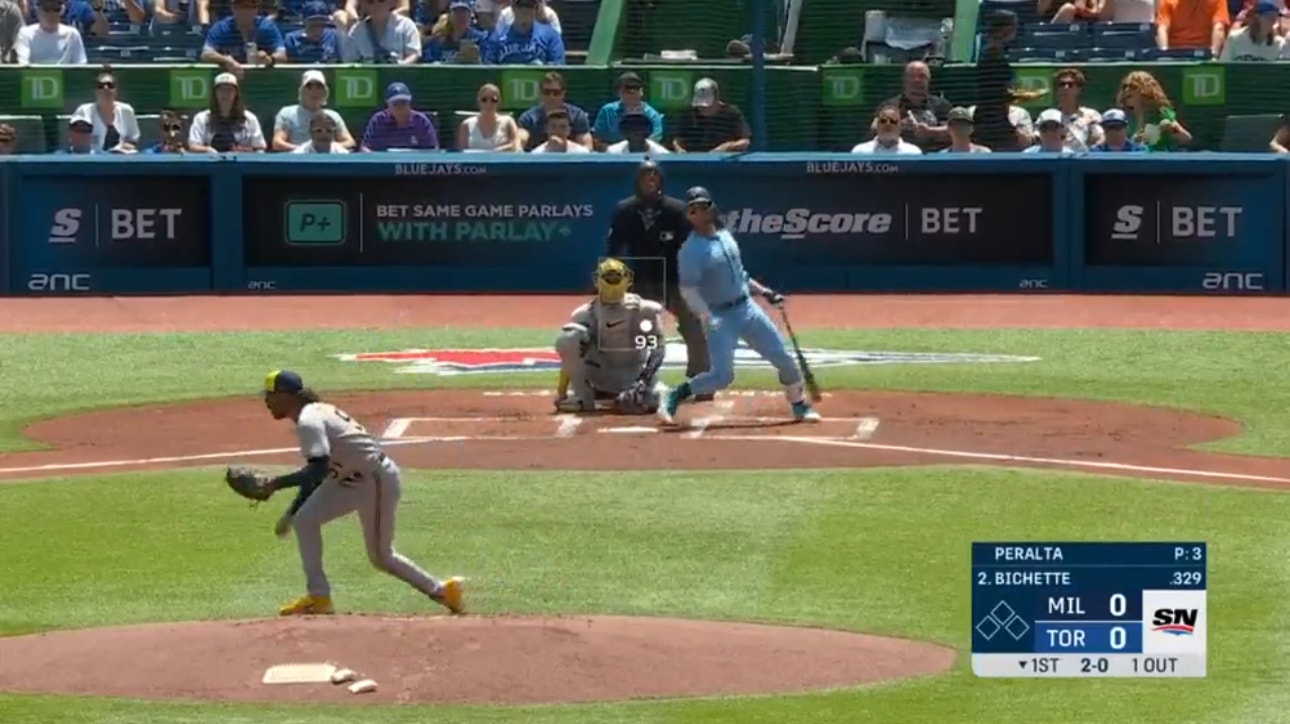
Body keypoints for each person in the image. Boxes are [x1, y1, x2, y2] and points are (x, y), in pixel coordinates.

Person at [252, 370, 465, 616]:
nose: (266, 401)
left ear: (286, 396)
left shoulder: (310, 420)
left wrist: (274, 484)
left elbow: (318, 469)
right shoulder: (315, 413)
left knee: (381, 557)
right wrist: (291, 512)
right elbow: (318, 472)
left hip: (373, 481)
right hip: (345, 479)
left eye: (270, 395)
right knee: (305, 520)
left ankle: (443, 591)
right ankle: (319, 598)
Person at [656, 187, 820, 425]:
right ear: (689, 215)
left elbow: (741, 275)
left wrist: (764, 292)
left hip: (748, 309)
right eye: (695, 209)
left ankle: (798, 405)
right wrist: (705, 316)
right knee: (722, 377)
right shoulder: (691, 251)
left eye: (704, 207)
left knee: (782, 357)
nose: (701, 213)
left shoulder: (725, 237)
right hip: (719, 316)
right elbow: (688, 290)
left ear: (711, 208)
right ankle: (676, 394)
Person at [606, 161, 712, 396]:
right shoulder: (625, 211)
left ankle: (701, 379)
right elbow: (614, 250)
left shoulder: (676, 210)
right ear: (638, 181)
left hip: (675, 279)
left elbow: (692, 247)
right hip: (640, 280)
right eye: (646, 176)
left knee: (693, 323)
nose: (650, 180)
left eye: (654, 176)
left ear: (661, 180)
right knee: (632, 329)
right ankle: (628, 379)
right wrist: (614, 284)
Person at [553, 258, 668, 414]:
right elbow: (569, 352)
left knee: (656, 399)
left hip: (634, 375)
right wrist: (562, 391)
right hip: (599, 377)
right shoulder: (585, 314)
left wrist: (643, 381)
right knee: (569, 337)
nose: (612, 283)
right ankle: (583, 395)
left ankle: (638, 394)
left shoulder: (644, 310)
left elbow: (658, 349)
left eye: (616, 278)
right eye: (609, 278)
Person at [272, 69, 354, 151]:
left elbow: (350, 142)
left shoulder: (333, 116)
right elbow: (277, 143)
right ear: (301, 91)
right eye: (309, 87)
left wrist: (326, 148)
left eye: (319, 87)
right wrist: (305, 151)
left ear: (325, 92)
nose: (314, 91)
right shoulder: (286, 113)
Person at [187, 72, 267, 153]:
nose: (225, 94)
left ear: (236, 93)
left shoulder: (250, 119)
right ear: (215, 93)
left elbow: (260, 148)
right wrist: (208, 150)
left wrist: (244, 151)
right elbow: (193, 146)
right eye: (221, 90)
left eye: (229, 90)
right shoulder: (201, 118)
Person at [70, 70, 139, 153]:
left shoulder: (127, 110)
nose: (106, 89)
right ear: (95, 91)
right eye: (100, 86)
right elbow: (77, 142)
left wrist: (123, 148)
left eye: (110, 85)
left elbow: (133, 140)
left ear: (116, 90)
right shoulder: (84, 111)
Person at [360, 82, 439, 151]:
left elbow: (433, 149)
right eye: (395, 104)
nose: (400, 107)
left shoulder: (421, 121)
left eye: (404, 103)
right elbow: (365, 148)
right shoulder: (378, 120)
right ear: (388, 105)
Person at [482, 0, 563, 64]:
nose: (525, 9)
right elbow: (489, 70)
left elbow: (558, 69)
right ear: (513, 8)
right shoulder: (498, 36)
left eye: (529, 5)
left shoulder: (551, 36)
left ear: (536, 9)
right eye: (520, 4)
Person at [15, 0, 87, 65]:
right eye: (46, 9)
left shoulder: (72, 34)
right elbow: (23, 63)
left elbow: (81, 64)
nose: (51, 14)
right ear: (38, 10)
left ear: (62, 11)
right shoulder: (26, 33)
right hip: (35, 78)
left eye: (56, 9)